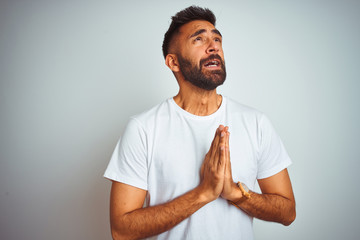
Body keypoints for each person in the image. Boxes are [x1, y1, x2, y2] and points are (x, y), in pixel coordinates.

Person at [104, 5, 296, 240]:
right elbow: (121, 231)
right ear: (173, 62)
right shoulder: (143, 129)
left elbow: (287, 212)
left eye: (217, 39)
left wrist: (234, 193)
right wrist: (202, 193)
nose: (214, 46)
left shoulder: (256, 123)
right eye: (199, 40)